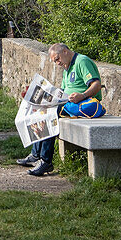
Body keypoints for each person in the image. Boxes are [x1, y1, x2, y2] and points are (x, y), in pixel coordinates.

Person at [17, 43, 106, 176]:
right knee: (40, 110)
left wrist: (82, 95)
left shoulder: (82, 61)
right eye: (55, 61)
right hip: (69, 103)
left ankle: (46, 160)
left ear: (65, 51)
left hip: (84, 104)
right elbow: (64, 91)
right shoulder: (67, 67)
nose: (57, 63)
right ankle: (36, 155)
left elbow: (96, 85)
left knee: (49, 114)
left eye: (57, 59)